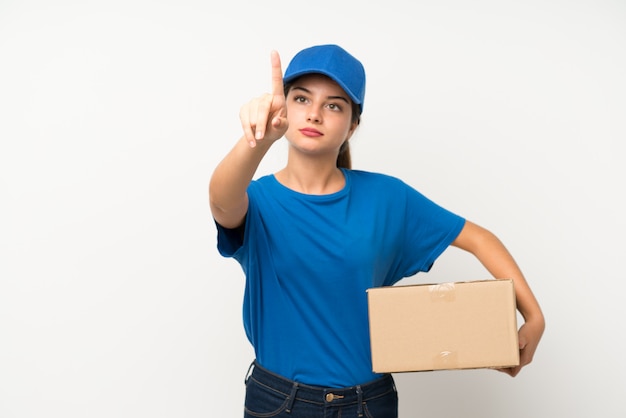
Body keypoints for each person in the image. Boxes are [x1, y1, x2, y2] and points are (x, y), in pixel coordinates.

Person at [209, 44, 545, 418]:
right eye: (302, 98)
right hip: (278, 403)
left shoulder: (386, 197)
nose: (315, 114)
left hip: (368, 404)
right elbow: (222, 199)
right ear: (284, 108)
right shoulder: (257, 201)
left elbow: (480, 239)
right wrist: (257, 140)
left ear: (353, 125)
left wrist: (534, 317)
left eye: (334, 105)